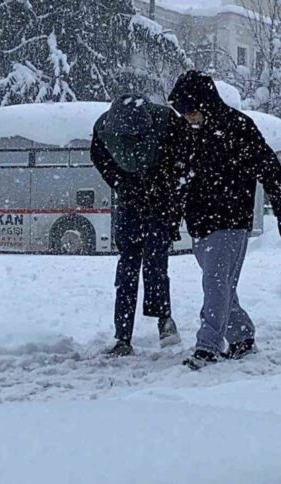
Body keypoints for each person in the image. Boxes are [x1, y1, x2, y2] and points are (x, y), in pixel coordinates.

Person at [167, 70, 281, 370]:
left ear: (206, 102)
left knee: (215, 284)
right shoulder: (188, 132)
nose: (188, 117)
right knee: (222, 285)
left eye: (191, 110)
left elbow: (270, 170)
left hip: (230, 220)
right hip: (199, 222)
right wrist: (173, 217)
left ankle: (208, 345)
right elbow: (178, 178)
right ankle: (241, 336)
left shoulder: (239, 127)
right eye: (183, 112)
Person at [90, 94, 187, 357]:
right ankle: (125, 335)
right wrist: (124, 184)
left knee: (153, 264)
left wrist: (166, 187)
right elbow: (101, 159)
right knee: (130, 269)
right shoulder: (104, 129)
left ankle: (162, 320)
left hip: (159, 202)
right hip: (134, 203)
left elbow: (184, 158)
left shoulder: (168, 122)